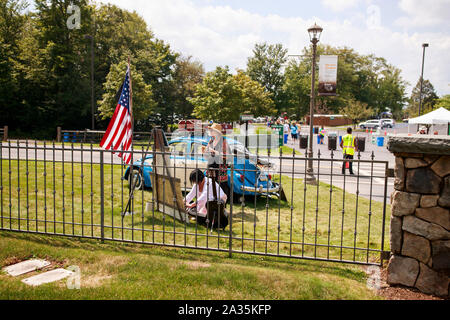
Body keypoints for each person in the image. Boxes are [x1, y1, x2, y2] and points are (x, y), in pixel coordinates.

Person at [203, 123, 231, 200]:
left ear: (217, 132)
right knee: (210, 185)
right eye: (210, 130)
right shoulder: (211, 140)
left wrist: (215, 152)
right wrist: (206, 151)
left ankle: (222, 206)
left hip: (220, 167)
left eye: (212, 130)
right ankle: (210, 204)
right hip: (211, 165)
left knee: (220, 186)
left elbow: (227, 155)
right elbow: (206, 150)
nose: (211, 132)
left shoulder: (223, 141)